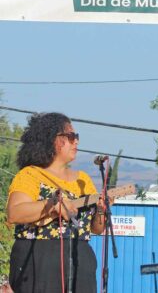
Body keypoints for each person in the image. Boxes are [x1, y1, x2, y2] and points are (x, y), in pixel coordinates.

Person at [7, 112, 106, 293]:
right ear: (51, 140)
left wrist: (101, 210)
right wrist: (52, 206)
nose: (76, 141)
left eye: (76, 137)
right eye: (70, 137)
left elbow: (97, 229)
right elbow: (15, 213)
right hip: (38, 259)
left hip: (80, 261)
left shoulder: (83, 180)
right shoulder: (30, 175)